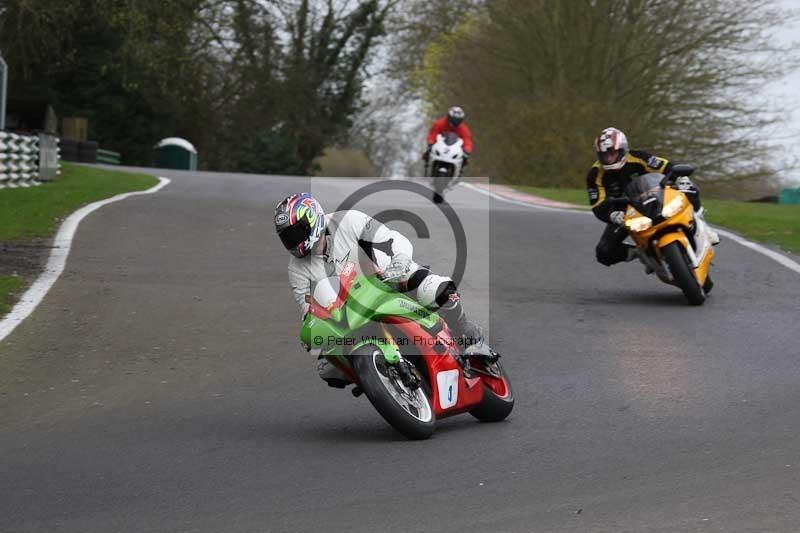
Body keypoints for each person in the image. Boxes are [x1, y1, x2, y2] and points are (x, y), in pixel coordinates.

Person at [274, 192, 490, 386]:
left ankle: (468, 334)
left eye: (295, 234)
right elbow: (308, 308)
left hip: (392, 279)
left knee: (439, 290)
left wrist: (400, 259)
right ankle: (375, 377)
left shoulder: (348, 220)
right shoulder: (296, 269)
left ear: (312, 222)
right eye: (286, 238)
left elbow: (391, 239)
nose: (293, 243)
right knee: (328, 365)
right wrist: (313, 333)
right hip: (352, 313)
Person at [585, 127, 719, 267]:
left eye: (612, 153)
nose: (608, 159)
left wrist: (679, 179)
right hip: (626, 213)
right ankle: (640, 253)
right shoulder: (595, 174)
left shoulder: (639, 157)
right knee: (604, 252)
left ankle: (704, 225)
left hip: (656, 198)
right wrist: (612, 215)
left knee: (690, 188)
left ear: (622, 149)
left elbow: (667, 167)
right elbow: (597, 205)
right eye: (604, 155)